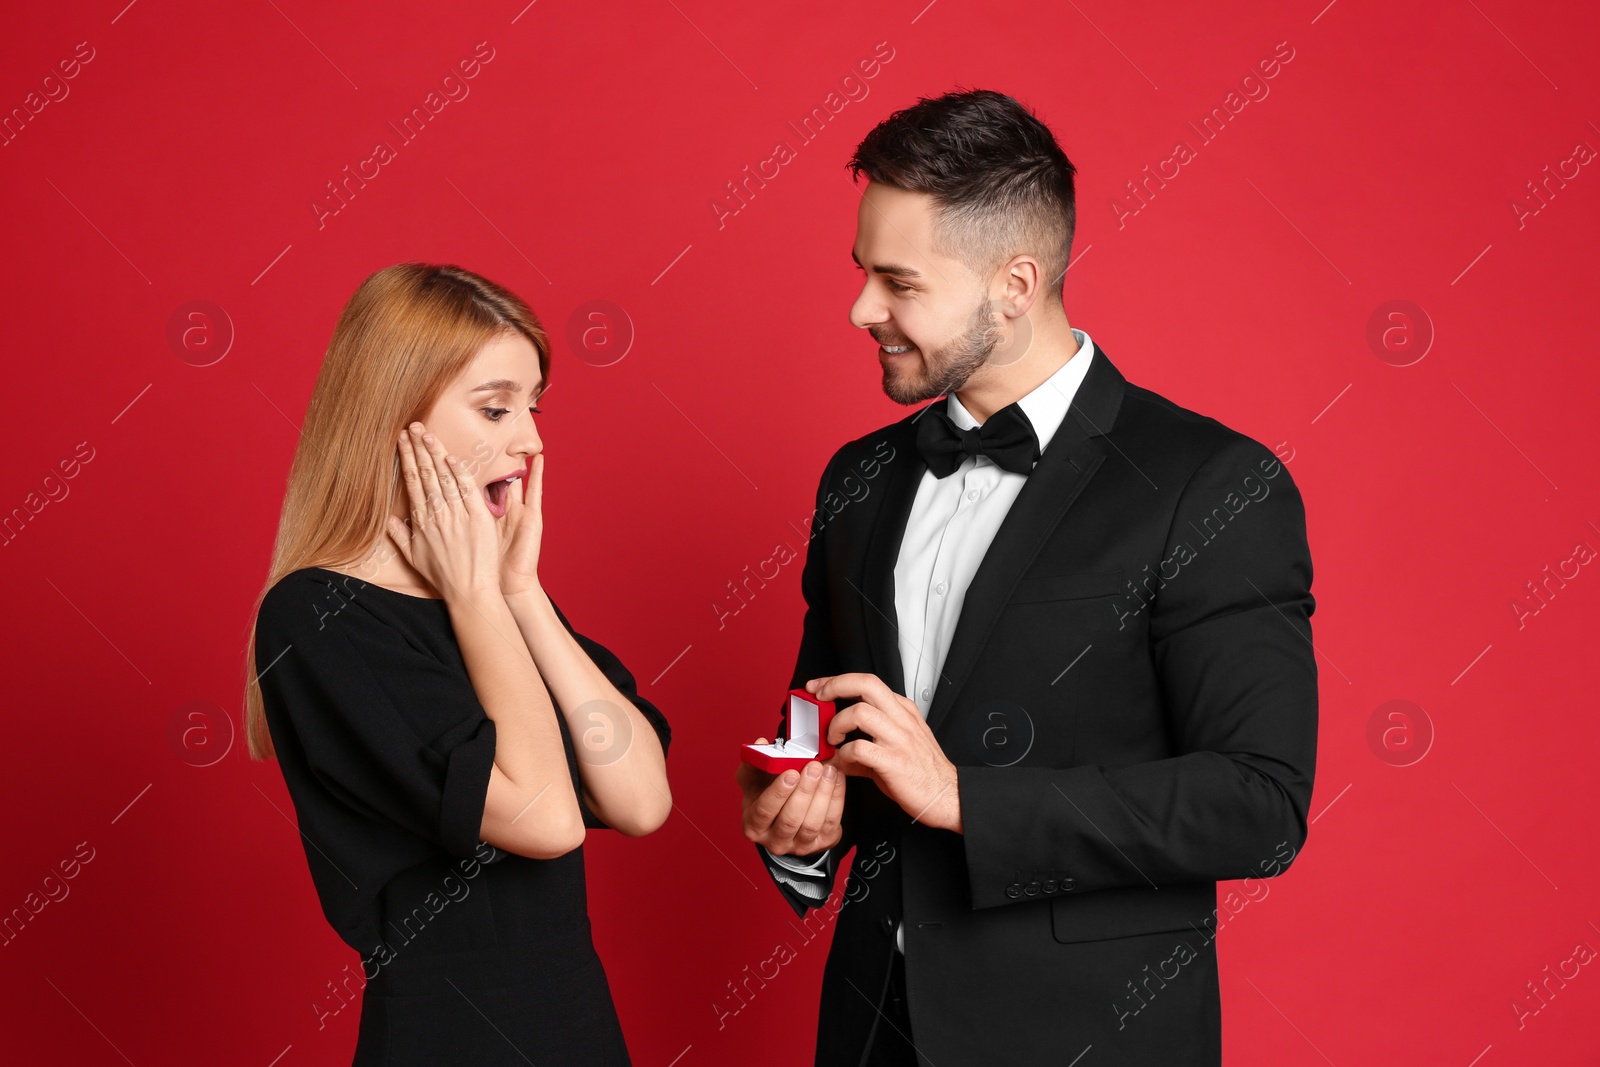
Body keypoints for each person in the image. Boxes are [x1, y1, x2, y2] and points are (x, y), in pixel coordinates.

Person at [736, 89, 1317, 1066]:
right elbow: (811, 719)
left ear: (1013, 283)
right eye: (860, 273)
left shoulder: (1213, 483)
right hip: (870, 1028)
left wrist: (966, 795)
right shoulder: (859, 478)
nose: (860, 308)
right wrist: (793, 820)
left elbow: (1256, 804)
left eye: (898, 282)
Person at [245, 263, 671, 1066]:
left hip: (577, 1025)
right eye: (495, 407)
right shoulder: (316, 617)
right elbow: (546, 820)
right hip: (451, 1035)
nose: (533, 439)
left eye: (534, 405)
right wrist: (479, 597)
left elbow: (642, 799)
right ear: (393, 414)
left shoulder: (492, 605)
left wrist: (519, 591)